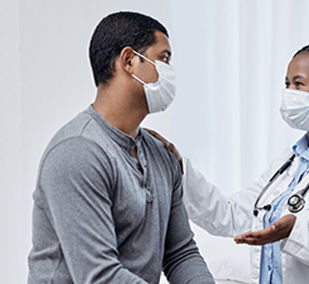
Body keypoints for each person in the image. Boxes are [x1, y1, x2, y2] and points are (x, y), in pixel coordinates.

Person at [148, 41, 309, 284]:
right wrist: (179, 168)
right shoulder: (289, 163)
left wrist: (297, 233)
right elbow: (231, 215)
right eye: (287, 84)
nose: (289, 93)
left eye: (298, 84)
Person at [27, 11, 214, 284]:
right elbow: (99, 276)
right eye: (164, 59)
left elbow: (180, 253)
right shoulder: (77, 152)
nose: (170, 71)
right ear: (129, 61)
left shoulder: (162, 156)